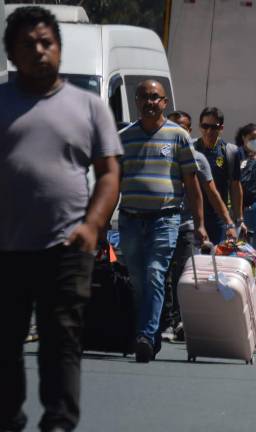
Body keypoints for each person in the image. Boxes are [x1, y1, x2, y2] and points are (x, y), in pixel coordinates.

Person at [0, 6, 122, 431]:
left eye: (47, 42)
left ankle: (58, 423)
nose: (39, 51)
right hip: (7, 247)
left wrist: (92, 226)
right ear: (11, 55)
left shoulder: (89, 107)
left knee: (62, 341)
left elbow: (108, 174)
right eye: (28, 44)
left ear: (59, 49)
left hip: (67, 247)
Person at [118, 81, 206, 363]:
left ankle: (144, 335)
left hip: (165, 219)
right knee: (138, 280)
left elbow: (192, 185)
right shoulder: (123, 137)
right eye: (143, 97)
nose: (149, 102)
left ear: (164, 102)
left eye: (154, 97)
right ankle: (152, 335)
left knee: (156, 273)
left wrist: (201, 224)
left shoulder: (178, 136)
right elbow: (113, 184)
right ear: (136, 101)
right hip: (130, 219)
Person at [160, 111, 236, 342]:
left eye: (183, 127)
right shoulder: (159, 152)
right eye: (173, 125)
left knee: (183, 273)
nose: (178, 131)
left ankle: (179, 321)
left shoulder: (197, 157)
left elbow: (213, 194)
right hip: (159, 222)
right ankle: (159, 322)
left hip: (186, 226)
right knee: (159, 274)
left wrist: (230, 222)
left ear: (189, 131)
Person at [194, 107, 246, 244]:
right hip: (193, 216)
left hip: (219, 218)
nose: (209, 131)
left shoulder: (230, 151)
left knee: (216, 260)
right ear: (200, 127)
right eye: (205, 126)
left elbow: (235, 186)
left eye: (214, 127)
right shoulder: (190, 149)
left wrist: (239, 220)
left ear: (221, 128)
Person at [236, 122, 256, 253]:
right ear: (243, 137)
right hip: (238, 208)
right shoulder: (236, 155)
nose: (255, 142)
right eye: (251, 138)